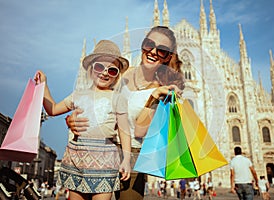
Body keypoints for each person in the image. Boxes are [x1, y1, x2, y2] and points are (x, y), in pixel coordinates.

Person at [66, 26, 185, 200]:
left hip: (132, 158)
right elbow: (91, 100)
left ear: (167, 56)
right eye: (149, 44)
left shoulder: (163, 89)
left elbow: (140, 131)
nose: (153, 52)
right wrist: (72, 119)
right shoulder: (118, 72)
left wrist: (154, 97)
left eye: (161, 50)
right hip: (98, 151)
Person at [35, 40, 131, 200]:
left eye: (112, 70)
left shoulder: (118, 98)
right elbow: (52, 109)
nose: (105, 73)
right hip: (78, 159)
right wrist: (44, 85)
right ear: (91, 68)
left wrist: (126, 159)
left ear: (117, 76)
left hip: (105, 160)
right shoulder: (78, 95)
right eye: (100, 67)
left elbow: (124, 130)